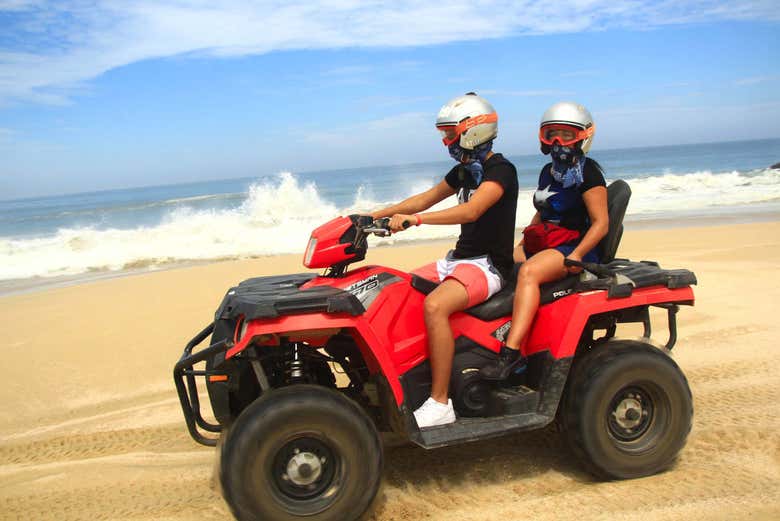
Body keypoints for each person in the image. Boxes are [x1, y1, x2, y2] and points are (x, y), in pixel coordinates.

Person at [371, 93, 518, 427]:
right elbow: (424, 198)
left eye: (451, 133)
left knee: (435, 306)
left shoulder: (501, 170)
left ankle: (440, 403)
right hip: (458, 261)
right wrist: (372, 216)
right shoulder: (464, 170)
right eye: (445, 134)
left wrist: (417, 222)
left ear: (474, 130)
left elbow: (473, 209)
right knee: (398, 289)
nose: (446, 141)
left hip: (488, 266)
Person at [480, 101, 608, 380]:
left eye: (566, 135)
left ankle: (511, 355)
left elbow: (601, 223)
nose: (558, 142)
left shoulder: (588, 174)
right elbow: (543, 210)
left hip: (575, 246)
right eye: (552, 135)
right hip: (548, 242)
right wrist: (520, 244)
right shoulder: (548, 172)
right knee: (496, 261)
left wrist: (577, 255)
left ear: (583, 137)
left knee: (528, 273)